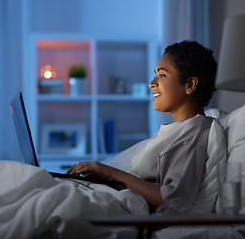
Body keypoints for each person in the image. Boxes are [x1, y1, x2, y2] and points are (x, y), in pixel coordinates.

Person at [66, 40, 227, 214]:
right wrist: (106, 178)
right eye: (155, 75)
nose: (152, 83)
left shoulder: (194, 130)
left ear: (190, 85)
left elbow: (174, 201)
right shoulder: (176, 130)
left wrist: (113, 174)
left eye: (162, 75)